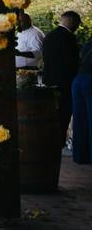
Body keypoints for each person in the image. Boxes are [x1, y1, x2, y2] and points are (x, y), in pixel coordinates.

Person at [43, 11, 81, 149]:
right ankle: (59, 142)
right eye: (77, 23)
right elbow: (71, 63)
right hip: (65, 83)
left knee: (53, 113)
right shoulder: (68, 38)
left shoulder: (49, 36)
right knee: (64, 114)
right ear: (71, 21)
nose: (77, 26)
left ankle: (51, 140)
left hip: (49, 81)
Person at [71, 39, 92, 164]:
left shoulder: (88, 43)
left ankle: (80, 156)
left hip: (78, 80)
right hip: (90, 82)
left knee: (79, 121)